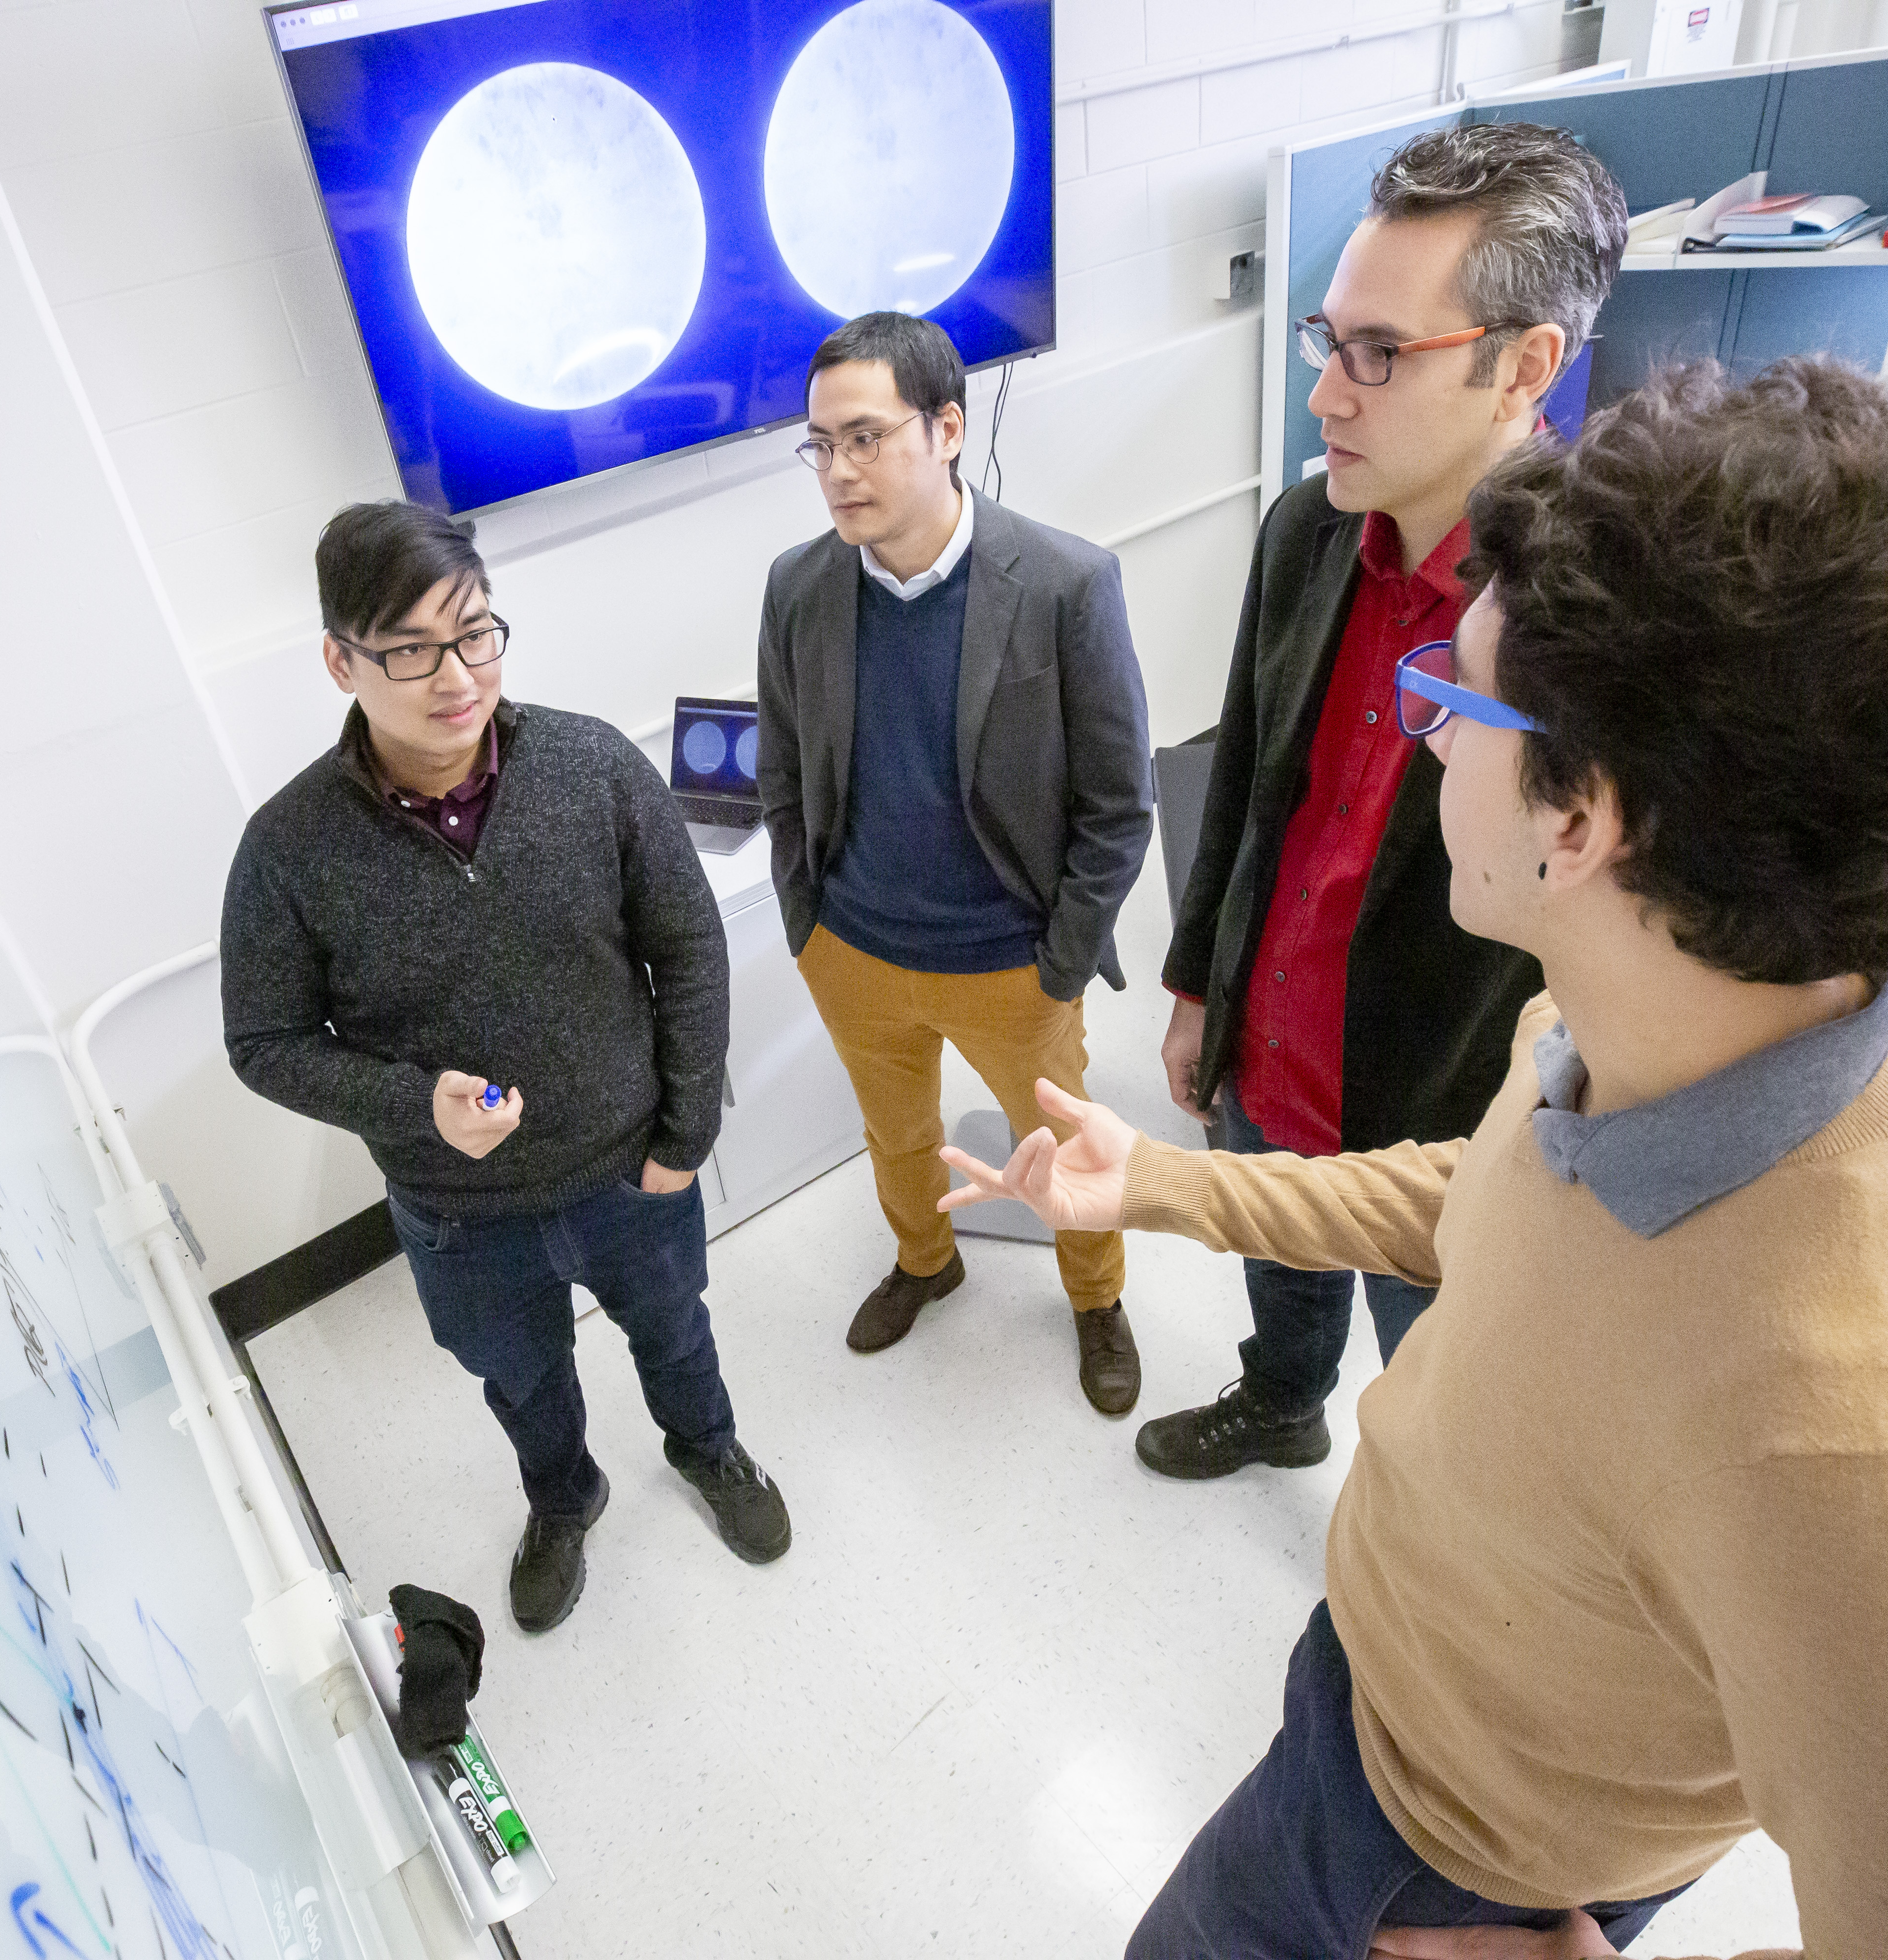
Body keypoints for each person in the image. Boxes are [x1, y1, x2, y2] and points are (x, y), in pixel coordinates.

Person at [943, 360, 1888, 1956]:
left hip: (1463, 1872)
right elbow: (1501, 1195)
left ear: (1582, 822)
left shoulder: (1886, 1456)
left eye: (1456, 694)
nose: (1425, 726)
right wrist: (1165, 1187)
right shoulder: (1680, 998)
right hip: (1381, 1712)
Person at [1148, 124, 1626, 1479]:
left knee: (1440, 1386)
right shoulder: (1306, 534)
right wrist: (1203, 986)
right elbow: (1244, 775)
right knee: (1279, 1261)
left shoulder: (1602, 610)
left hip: (1443, 1094)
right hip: (1276, 1031)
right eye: (1328, 341)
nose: (1327, 398)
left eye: (1381, 356)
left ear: (1526, 365)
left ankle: (1423, 1497)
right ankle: (1280, 1399)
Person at [221, 501, 789, 1634]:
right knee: (522, 1381)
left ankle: (710, 1449)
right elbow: (264, 1043)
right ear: (342, 660)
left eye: (476, 632)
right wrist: (410, 1102)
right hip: (459, 1216)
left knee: (678, 1331)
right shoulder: (287, 850)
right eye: (411, 649)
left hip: (634, 1172)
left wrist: (684, 1142)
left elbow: (687, 946)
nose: (455, 674)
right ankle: (563, 1500)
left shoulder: (590, 765)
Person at [755, 311, 1156, 1414]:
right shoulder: (799, 587)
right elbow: (782, 778)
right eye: (821, 444)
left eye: (865, 438)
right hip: (855, 950)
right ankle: (927, 1263)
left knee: (1066, 1153)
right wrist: (809, 929)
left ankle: (1095, 1299)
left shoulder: (1067, 583)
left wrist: (1060, 961)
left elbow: (1121, 805)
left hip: (1010, 963)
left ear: (945, 429)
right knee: (897, 1139)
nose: (838, 471)